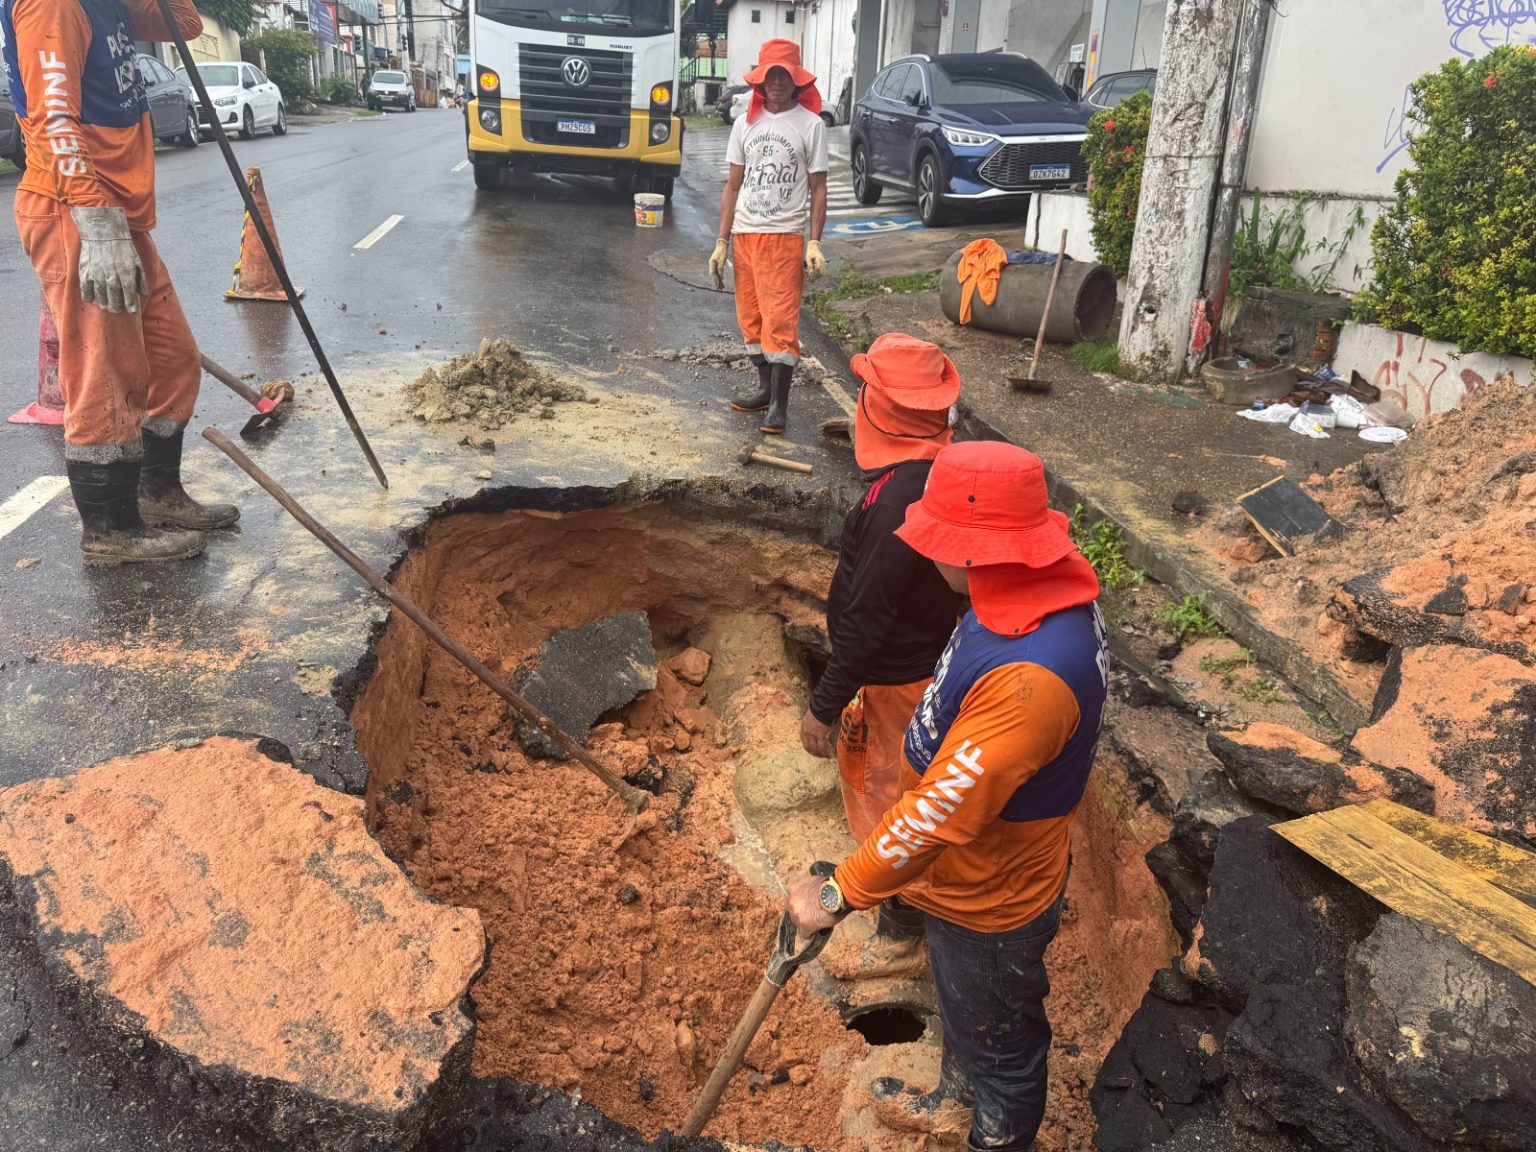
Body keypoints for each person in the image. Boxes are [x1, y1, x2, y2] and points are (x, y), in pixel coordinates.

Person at [786, 441, 1109, 1152]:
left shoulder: (1030, 679)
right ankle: (954, 1100)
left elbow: (935, 815)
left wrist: (838, 893)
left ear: (972, 548)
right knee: (964, 1015)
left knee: (1001, 1045)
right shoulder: (1019, 593)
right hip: (968, 875)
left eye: (937, 536)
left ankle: (992, 1132)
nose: (924, 551)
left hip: (989, 899)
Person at [3, 0, 238, 566]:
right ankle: (110, 531)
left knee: (172, 360)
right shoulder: (56, 5)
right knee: (107, 375)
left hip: (120, 215)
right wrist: (98, 222)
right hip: (77, 211)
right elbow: (52, 115)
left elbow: (182, 25)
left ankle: (156, 495)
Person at [798, 333, 965, 981]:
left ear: (881, 410)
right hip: (928, 667)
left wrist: (824, 702)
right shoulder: (939, 473)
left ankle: (901, 935)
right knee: (905, 796)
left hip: (897, 684)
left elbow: (865, 623)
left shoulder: (895, 502)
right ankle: (897, 905)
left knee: (889, 805)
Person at [707, 39, 827, 435]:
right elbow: (733, 186)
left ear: (796, 81)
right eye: (771, 74)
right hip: (744, 236)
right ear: (761, 80)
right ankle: (763, 389)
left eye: (785, 75)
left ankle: (780, 405)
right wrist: (721, 241)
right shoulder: (745, 123)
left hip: (783, 238)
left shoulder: (811, 125)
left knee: (780, 323)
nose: (777, 82)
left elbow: (818, 188)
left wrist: (814, 242)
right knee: (751, 320)